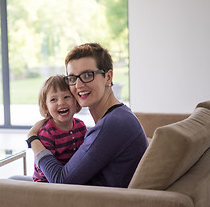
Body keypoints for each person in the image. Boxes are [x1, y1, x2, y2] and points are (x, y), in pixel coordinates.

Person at [26, 43, 148, 187]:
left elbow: (61, 181)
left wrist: (33, 138)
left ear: (108, 77)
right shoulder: (120, 115)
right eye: (72, 78)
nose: (78, 85)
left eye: (87, 75)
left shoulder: (112, 125)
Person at [33, 75, 87, 182]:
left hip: (72, 179)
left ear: (76, 100)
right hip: (46, 184)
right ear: (46, 107)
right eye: (53, 99)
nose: (61, 103)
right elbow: (48, 172)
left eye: (66, 97)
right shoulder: (47, 133)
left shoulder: (80, 126)